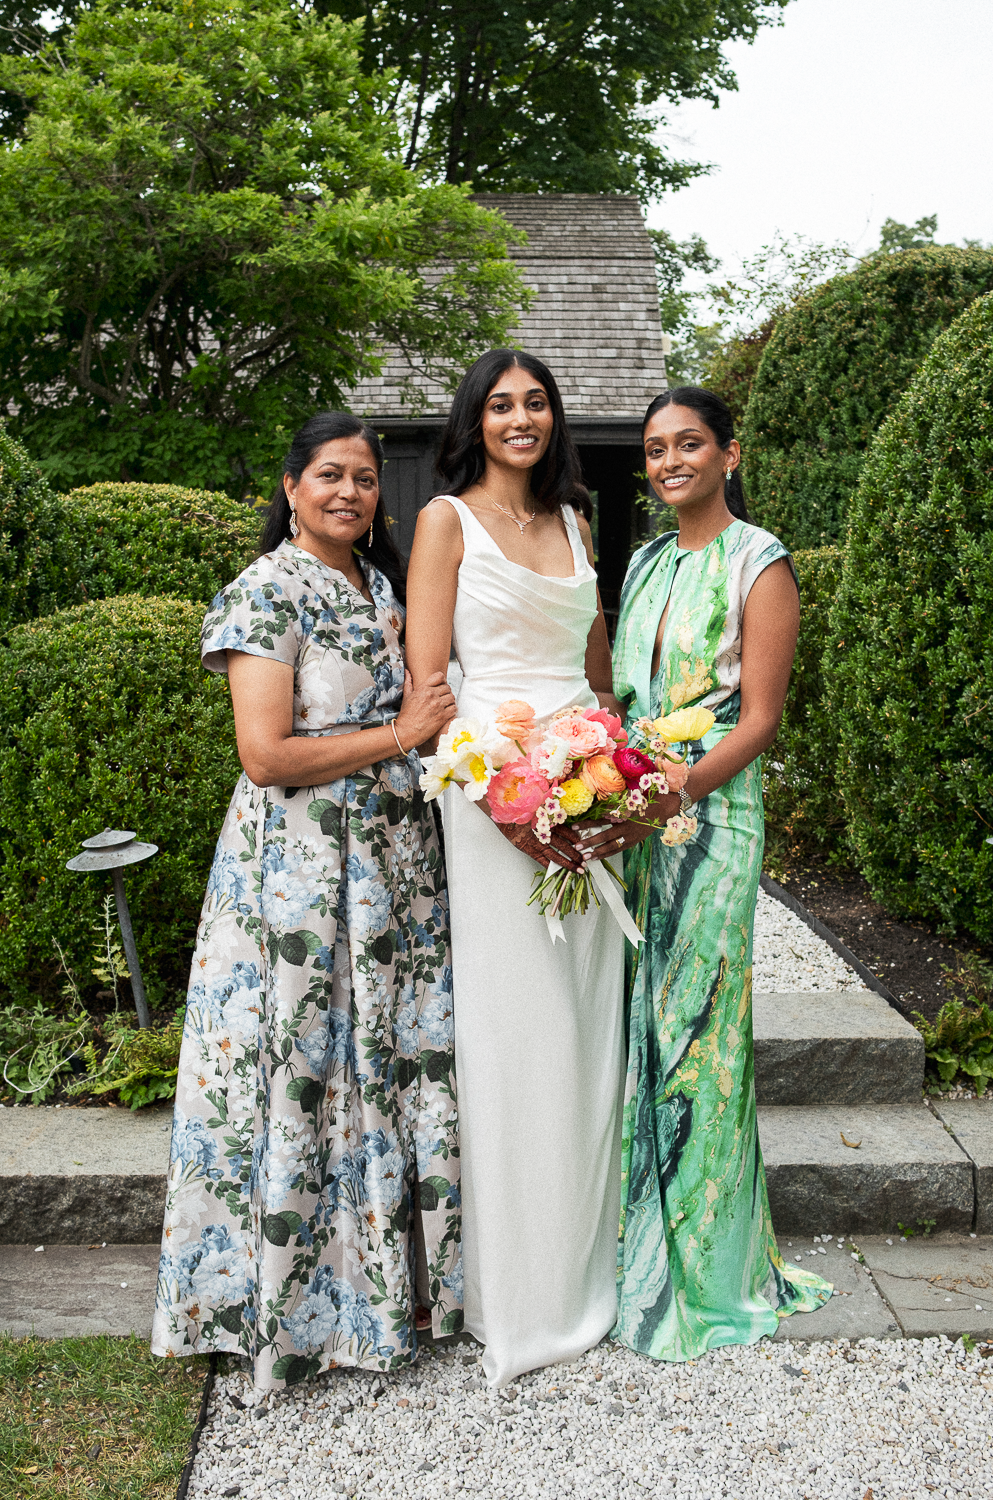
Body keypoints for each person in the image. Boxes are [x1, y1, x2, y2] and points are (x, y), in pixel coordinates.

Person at [152, 412, 462, 1388]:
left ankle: (379, 1298)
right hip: (292, 882)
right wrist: (399, 734)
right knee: (297, 1076)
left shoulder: (380, 588)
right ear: (289, 487)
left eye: (365, 479)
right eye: (329, 475)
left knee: (383, 1077)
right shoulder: (265, 591)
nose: (349, 493)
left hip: (390, 874)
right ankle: (283, 1309)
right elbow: (266, 753)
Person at [591, 386, 832, 1361]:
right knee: (640, 1026)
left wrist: (677, 788)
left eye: (688, 443)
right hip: (633, 815)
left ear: (728, 454)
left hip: (711, 816)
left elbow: (761, 718)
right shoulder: (645, 560)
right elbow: (618, 689)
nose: (668, 459)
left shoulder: (758, 562)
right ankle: (642, 1253)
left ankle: (715, 1268)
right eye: (654, 448)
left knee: (701, 1035)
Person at [405, 349, 626, 1387]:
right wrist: (500, 790)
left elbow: (594, 668)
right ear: (475, 421)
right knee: (515, 1017)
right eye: (501, 404)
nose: (521, 418)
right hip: (489, 785)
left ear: (554, 416)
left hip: (582, 786)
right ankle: (517, 1292)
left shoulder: (578, 521)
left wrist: (610, 772)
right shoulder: (447, 521)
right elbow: (429, 678)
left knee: (586, 1013)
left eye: (536, 401)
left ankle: (589, 1262)